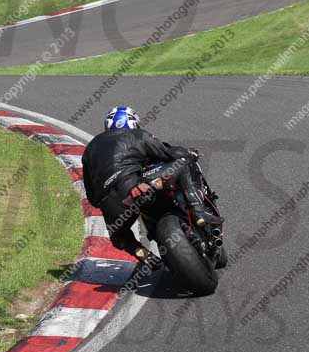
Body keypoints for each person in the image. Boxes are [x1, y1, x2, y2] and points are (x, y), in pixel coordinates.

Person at [82, 106, 222, 264]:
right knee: (183, 162)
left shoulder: (90, 149)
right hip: (134, 187)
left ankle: (142, 253)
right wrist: (187, 153)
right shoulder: (136, 134)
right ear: (134, 123)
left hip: (110, 205)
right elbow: (167, 153)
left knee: (119, 236)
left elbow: (91, 197)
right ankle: (199, 211)